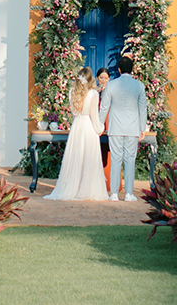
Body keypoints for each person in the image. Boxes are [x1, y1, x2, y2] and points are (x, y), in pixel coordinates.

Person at [46, 68, 108, 200]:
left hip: (77, 126)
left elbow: (74, 112)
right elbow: (93, 115)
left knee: (76, 158)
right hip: (88, 127)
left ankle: (73, 186)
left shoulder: (71, 92)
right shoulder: (93, 94)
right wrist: (100, 128)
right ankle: (87, 189)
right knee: (88, 158)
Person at [99, 55, 149, 202]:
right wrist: (142, 128)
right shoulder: (139, 86)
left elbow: (104, 107)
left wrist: (100, 124)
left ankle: (114, 193)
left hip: (115, 127)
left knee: (115, 159)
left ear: (119, 69)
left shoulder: (111, 85)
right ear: (132, 69)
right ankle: (128, 193)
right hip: (132, 127)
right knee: (130, 159)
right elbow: (143, 108)